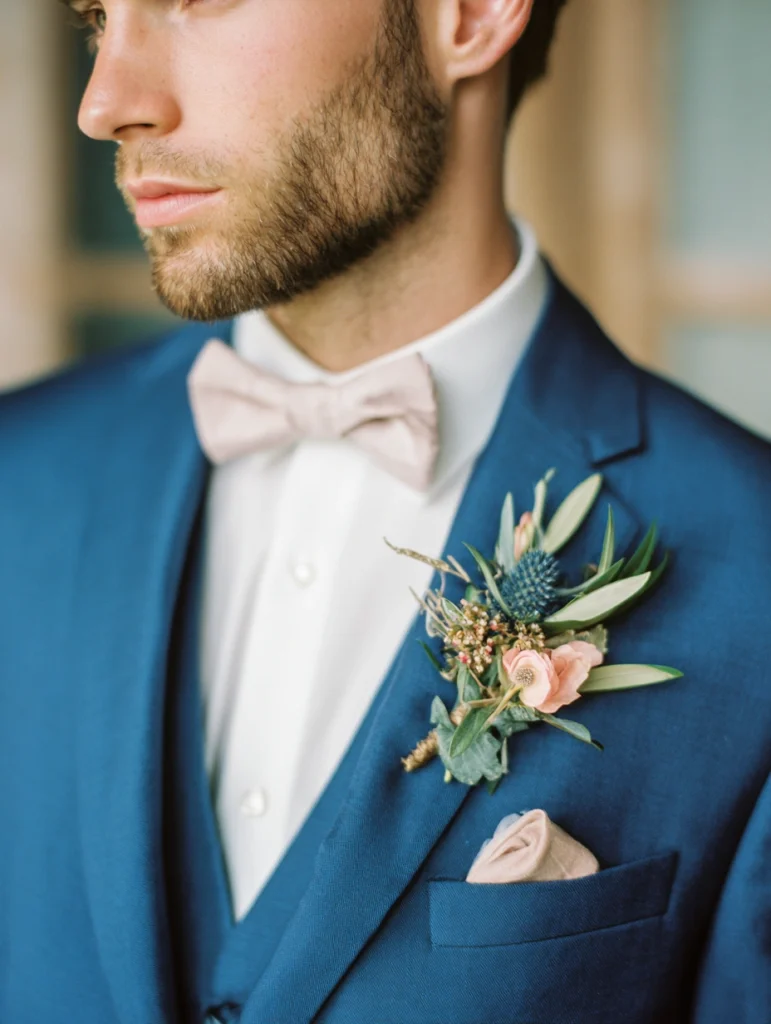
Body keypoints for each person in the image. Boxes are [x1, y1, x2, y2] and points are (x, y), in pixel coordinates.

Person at [1, 0, 769, 1021]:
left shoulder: (753, 569)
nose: (105, 102)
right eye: (99, 16)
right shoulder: (20, 480)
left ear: (470, 16)